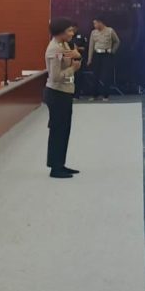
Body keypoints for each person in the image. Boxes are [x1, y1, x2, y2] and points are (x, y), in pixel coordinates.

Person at [44, 18, 81, 178]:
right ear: (60, 32)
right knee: (58, 131)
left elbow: (71, 60)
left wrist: (77, 56)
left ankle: (60, 163)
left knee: (64, 130)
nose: (72, 33)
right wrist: (73, 69)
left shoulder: (64, 45)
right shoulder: (55, 49)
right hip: (57, 93)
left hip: (65, 92)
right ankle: (55, 167)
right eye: (69, 31)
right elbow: (55, 77)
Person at [87, 18, 121, 101]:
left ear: (100, 22)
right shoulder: (93, 32)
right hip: (97, 55)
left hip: (106, 54)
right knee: (95, 75)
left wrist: (113, 51)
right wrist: (89, 59)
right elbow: (91, 46)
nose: (94, 25)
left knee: (106, 75)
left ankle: (106, 95)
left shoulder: (110, 31)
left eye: (95, 23)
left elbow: (117, 41)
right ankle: (94, 95)